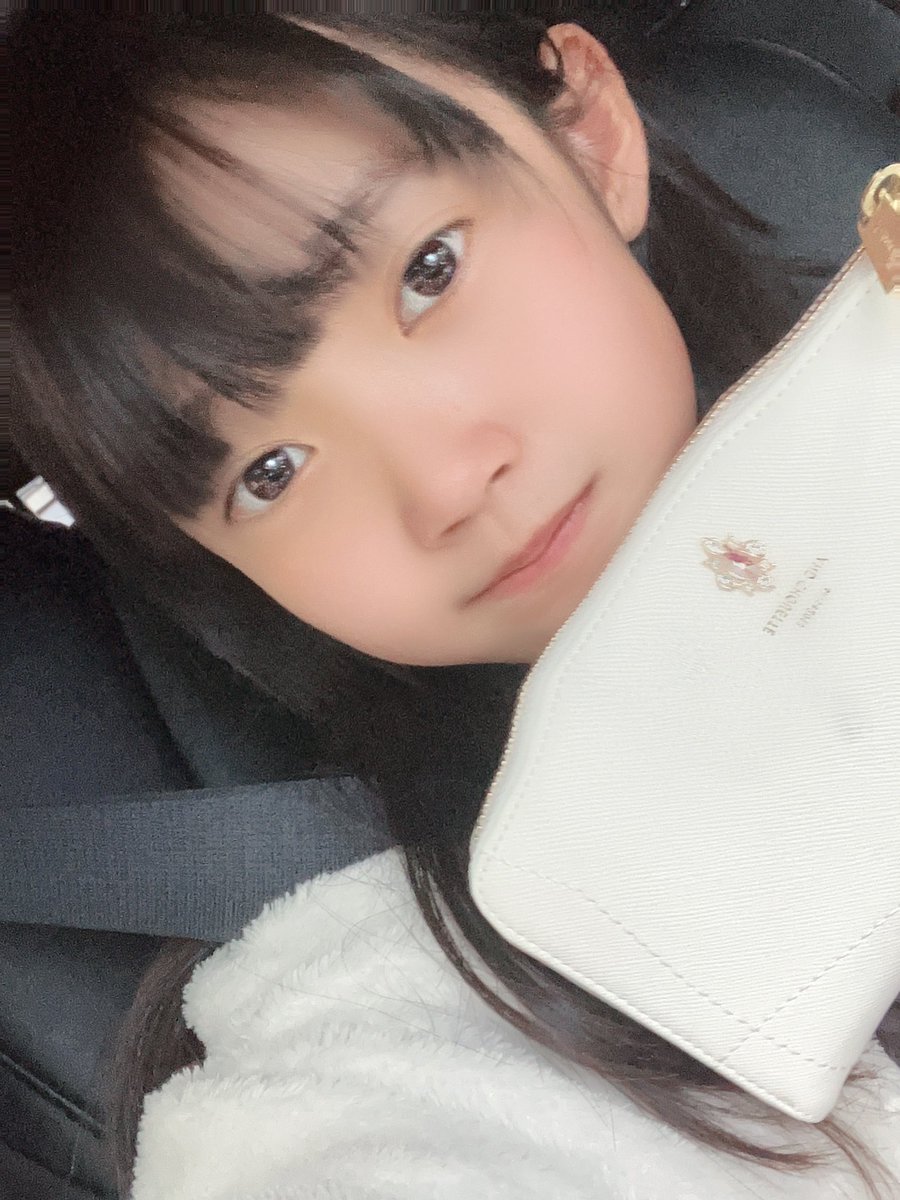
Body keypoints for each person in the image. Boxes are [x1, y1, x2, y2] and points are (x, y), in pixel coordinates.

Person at [11, 11, 900, 1200]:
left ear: (588, 139)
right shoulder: (381, 1013)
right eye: (268, 474)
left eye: (428, 272)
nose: (442, 485)